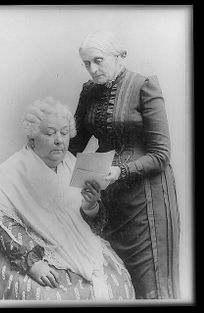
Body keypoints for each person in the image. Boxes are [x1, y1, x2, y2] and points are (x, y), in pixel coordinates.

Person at [69, 30, 180, 299]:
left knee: (150, 289)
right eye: (86, 64)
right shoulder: (89, 92)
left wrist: (122, 170)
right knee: (116, 285)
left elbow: (161, 154)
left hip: (147, 202)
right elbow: (75, 143)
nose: (92, 69)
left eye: (98, 60)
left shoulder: (144, 86)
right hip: (109, 199)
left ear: (120, 57)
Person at [0, 96, 135, 301]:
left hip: (80, 244)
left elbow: (91, 223)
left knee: (117, 281)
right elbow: (1, 226)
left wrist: (90, 206)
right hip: (33, 251)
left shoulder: (72, 164)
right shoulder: (9, 173)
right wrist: (34, 264)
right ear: (31, 139)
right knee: (49, 296)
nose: (59, 140)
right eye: (49, 133)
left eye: (64, 133)